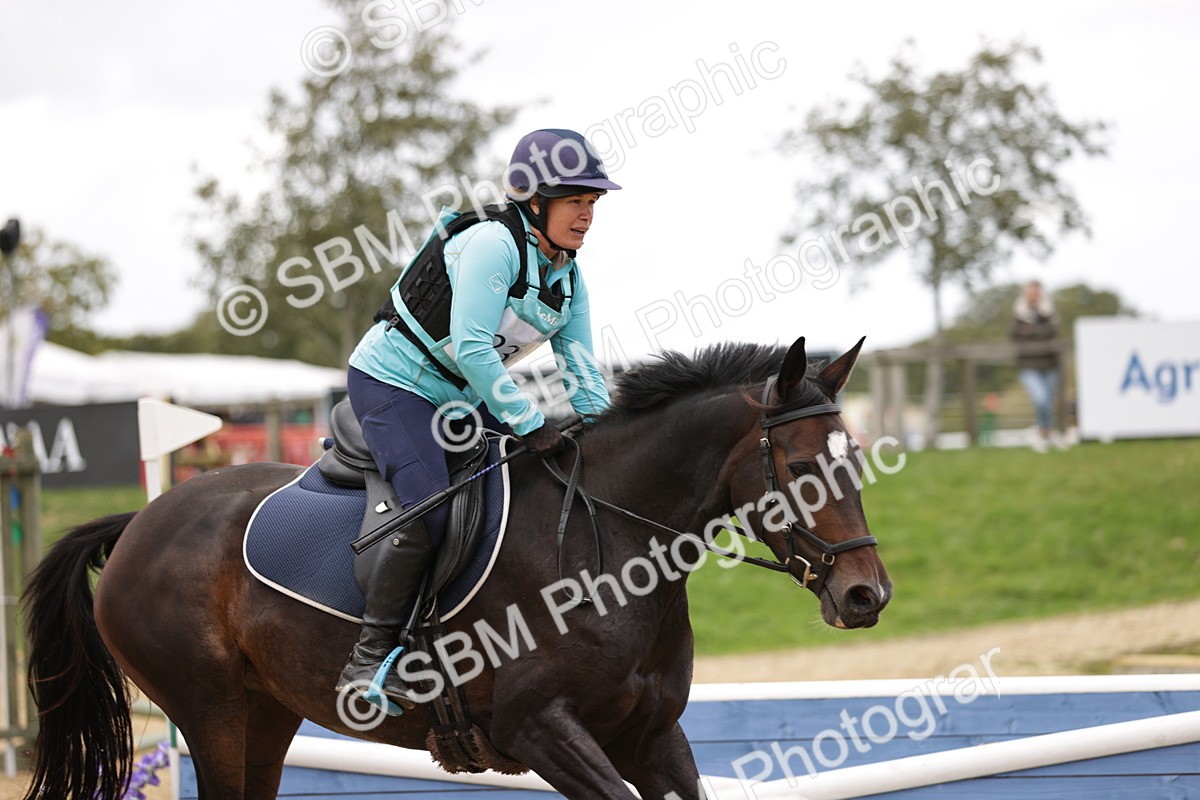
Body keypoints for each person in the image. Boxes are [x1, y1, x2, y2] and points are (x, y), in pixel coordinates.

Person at [336, 128, 618, 711]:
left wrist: (606, 436)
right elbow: (470, 348)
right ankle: (368, 657)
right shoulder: (493, 244)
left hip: (465, 394)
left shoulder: (569, 276)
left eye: (593, 203)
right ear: (534, 201)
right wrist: (528, 420)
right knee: (432, 505)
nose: (587, 216)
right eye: (576, 201)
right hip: (396, 382)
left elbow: (581, 367)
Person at [1010, 280, 1066, 452]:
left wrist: (1030, 331)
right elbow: (1015, 335)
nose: (1033, 295)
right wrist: (1039, 331)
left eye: (1036, 291)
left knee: (1047, 402)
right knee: (1040, 399)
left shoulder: (1049, 311)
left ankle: (1045, 433)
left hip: (1050, 364)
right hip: (1028, 365)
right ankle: (1044, 432)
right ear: (1025, 293)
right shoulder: (1018, 314)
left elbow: (1052, 332)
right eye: (1030, 292)